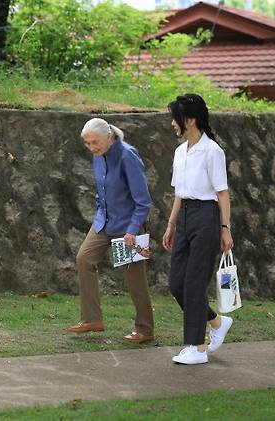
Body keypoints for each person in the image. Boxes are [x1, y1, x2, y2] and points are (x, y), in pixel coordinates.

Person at [67, 118, 154, 344]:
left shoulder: (127, 156)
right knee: (84, 259)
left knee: (134, 278)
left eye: (94, 142)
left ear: (109, 137)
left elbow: (143, 201)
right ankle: (92, 320)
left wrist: (133, 230)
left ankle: (145, 329)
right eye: (87, 143)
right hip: (104, 223)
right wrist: (99, 210)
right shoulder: (99, 156)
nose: (91, 147)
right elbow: (101, 190)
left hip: (128, 227)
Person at [162, 93, 234, 365]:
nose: (172, 123)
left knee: (193, 284)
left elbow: (222, 194)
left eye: (175, 118)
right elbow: (179, 193)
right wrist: (171, 225)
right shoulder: (180, 152)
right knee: (177, 284)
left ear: (189, 120)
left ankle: (197, 348)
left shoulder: (213, 151)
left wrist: (225, 228)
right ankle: (216, 322)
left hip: (206, 217)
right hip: (184, 218)